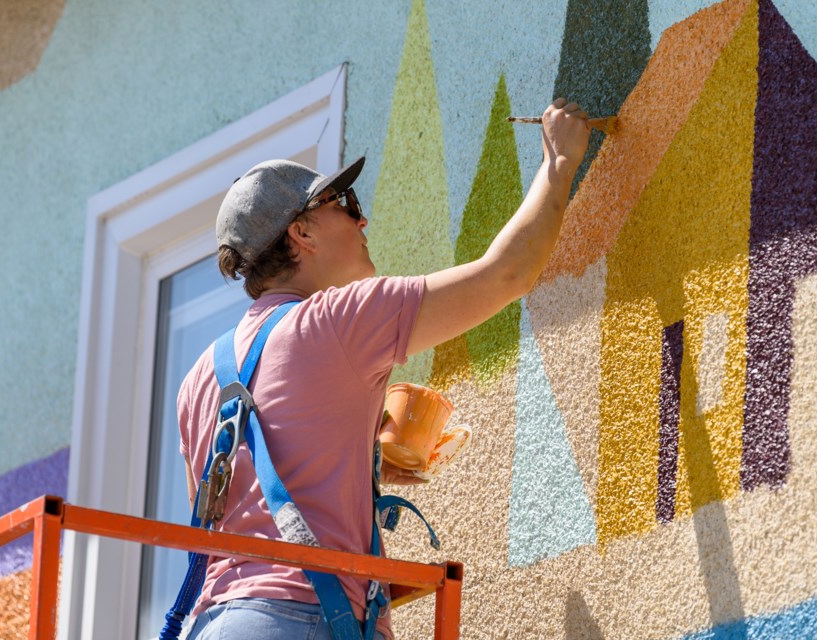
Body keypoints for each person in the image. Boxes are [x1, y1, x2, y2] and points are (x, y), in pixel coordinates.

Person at [179, 98, 590, 640]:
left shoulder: (200, 377)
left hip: (214, 624)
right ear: (302, 232)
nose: (361, 216)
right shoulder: (336, 319)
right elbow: (505, 276)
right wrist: (559, 163)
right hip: (301, 621)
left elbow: (232, 510)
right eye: (344, 203)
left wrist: (358, 462)